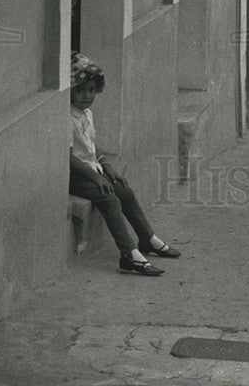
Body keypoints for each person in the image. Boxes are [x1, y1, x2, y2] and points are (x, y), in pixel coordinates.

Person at [70, 53, 181, 276]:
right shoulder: (66, 117)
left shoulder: (87, 114)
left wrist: (107, 167)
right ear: (70, 91)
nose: (86, 96)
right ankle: (129, 255)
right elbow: (69, 157)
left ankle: (147, 238)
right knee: (109, 198)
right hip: (74, 175)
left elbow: (91, 147)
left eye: (91, 90)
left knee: (125, 193)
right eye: (80, 91)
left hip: (92, 170)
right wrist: (96, 177)